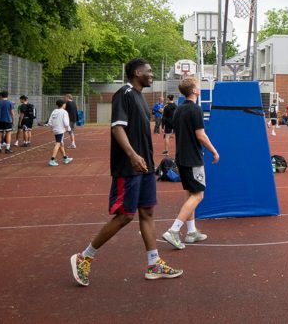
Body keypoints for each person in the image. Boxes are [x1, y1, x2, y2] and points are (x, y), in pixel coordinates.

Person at [70, 58, 182, 287]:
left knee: (147, 212)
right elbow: (117, 127)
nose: (151, 74)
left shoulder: (141, 97)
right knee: (125, 215)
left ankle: (154, 264)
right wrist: (132, 155)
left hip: (146, 166)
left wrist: (146, 160)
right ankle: (85, 256)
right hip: (129, 166)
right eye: (149, 71)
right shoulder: (125, 93)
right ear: (137, 72)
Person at [161, 77, 220, 250]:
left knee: (189, 194)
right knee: (198, 195)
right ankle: (174, 230)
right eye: (198, 86)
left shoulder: (179, 109)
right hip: (193, 157)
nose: (200, 88)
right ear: (194, 90)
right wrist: (214, 151)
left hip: (181, 157)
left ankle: (191, 232)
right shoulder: (195, 109)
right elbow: (201, 135)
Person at [47, 99, 73, 166]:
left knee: (61, 144)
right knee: (58, 143)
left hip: (55, 130)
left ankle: (65, 158)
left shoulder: (54, 111)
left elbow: (50, 121)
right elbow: (66, 123)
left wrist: (53, 127)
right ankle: (52, 159)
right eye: (65, 104)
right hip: (60, 130)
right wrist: (68, 129)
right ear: (63, 104)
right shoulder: (64, 112)